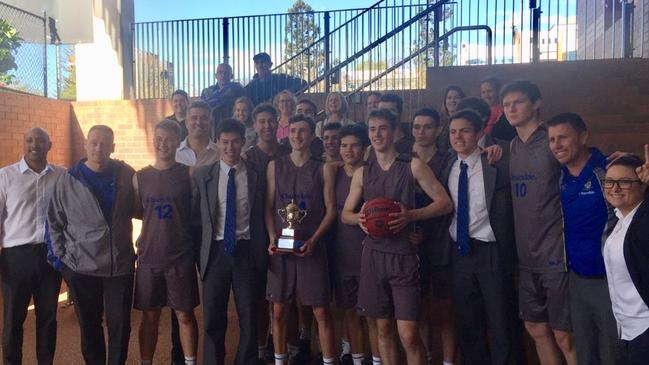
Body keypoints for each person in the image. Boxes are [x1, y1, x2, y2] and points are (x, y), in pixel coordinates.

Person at [342, 108, 453, 365]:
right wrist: (359, 219)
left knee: (409, 334)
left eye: (382, 128)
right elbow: (346, 213)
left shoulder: (413, 165)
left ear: (393, 132)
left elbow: (444, 203)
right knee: (382, 329)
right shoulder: (362, 172)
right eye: (372, 129)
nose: (377, 134)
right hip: (372, 255)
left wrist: (410, 216)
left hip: (403, 256)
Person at [47, 125, 137, 365]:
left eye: (105, 143)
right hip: (81, 267)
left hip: (120, 266)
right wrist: (63, 261)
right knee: (89, 326)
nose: (99, 148)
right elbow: (53, 222)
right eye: (94, 142)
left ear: (113, 147)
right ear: (86, 145)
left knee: (120, 325)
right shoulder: (68, 180)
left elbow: (141, 207)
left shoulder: (126, 174)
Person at [502, 80, 576, 365]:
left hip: (556, 254)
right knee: (535, 328)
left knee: (564, 335)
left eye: (517, 102)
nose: (511, 109)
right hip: (526, 256)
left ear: (536, 103)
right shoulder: (511, 146)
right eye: (507, 105)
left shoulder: (552, 140)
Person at [441, 109, 519, 365]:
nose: (458, 137)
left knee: (501, 321)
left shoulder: (494, 163)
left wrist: (500, 151)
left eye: (464, 131)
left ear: (479, 133)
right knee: (467, 322)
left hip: (491, 251)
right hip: (460, 252)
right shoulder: (448, 166)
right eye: (453, 132)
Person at [546, 113, 622, 365]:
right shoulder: (559, 177)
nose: (557, 145)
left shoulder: (608, 170)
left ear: (583, 136)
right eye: (552, 139)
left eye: (563, 137)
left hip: (609, 281)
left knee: (613, 353)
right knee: (585, 353)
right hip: (576, 279)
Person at [192, 119, 266, 364]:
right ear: (218, 143)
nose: (230, 147)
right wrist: (198, 256)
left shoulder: (256, 174)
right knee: (213, 317)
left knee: (249, 316)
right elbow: (195, 218)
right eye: (225, 142)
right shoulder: (203, 175)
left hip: (246, 251)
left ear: (244, 143)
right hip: (215, 253)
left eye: (235, 142)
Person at [265, 114, 338, 365]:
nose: (297, 136)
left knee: (321, 310)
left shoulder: (323, 167)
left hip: (311, 247)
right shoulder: (275, 166)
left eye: (303, 131)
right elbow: (268, 206)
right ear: (287, 134)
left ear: (312, 136)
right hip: (282, 248)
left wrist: (315, 239)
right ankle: (279, 360)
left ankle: (329, 360)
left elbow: (331, 210)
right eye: (293, 130)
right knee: (279, 309)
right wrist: (272, 236)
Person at [133, 120, 199, 365]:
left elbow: (195, 212)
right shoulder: (139, 177)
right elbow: (140, 212)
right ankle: (146, 362)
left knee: (185, 315)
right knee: (150, 316)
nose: (163, 143)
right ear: (153, 140)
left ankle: (190, 361)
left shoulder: (188, 173)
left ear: (177, 142)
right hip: (150, 256)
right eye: (159, 138)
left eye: (169, 139)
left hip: (180, 256)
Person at [0, 128, 64, 365]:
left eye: (40, 141)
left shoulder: (61, 176)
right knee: (13, 319)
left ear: (50, 145)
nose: (34, 145)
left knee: (48, 318)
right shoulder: (5, 177)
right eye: (29, 140)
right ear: (23, 144)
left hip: (50, 256)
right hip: (16, 257)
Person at [243, 103, 291, 363]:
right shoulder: (247, 158)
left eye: (271, 121)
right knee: (261, 295)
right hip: (255, 234)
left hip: (287, 229)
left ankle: (291, 347)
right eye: (261, 121)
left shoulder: (288, 152)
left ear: (278, 122)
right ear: (254, 125)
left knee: (286, 295)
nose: (267, 126)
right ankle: (261, 349)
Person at [409, 109, 456, 365]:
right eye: (417, 126)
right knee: (419, 310)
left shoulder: (448, 161)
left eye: (428, 126)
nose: (421, 131)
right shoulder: (402, 160)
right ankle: (426, 358)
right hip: (408, 244)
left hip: (440, 242)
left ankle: (448, 361)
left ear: (439, 130)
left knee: (443, 310)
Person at [602, 155, 649, 365]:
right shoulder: (619, 220)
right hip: (626, 330)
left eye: (625, 182)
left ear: (642, 184)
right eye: (610, 181)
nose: (615, 187)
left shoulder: (643, 221)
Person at [331, 125, 371, 365]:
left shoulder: (372, 173)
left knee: (373, 315)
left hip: (367, 251)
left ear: (364, 149)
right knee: (348, 310)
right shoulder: (333, 173)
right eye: (344, 145)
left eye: (354, 145)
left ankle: (374, 356)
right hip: (340, 251)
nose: (348, 150)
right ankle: (356, 357)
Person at [176, 100, 220, 168]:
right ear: (186, 123)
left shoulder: (220, 154)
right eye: (194, 118)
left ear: (211, 123)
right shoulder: (175, 153)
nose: (199, 122)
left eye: (204, 118)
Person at [480, 76, 516, 141]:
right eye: (483, 92)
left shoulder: (506, 111)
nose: (486, 95)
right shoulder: (480, 112)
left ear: (498, 91)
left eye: (490, 91)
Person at [438, 86, 465, 153]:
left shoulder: (466, 122)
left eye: (456, 98)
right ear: (445, 101)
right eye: (449, 98)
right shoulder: (439, 122)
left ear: (462, 100)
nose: (452, 100)